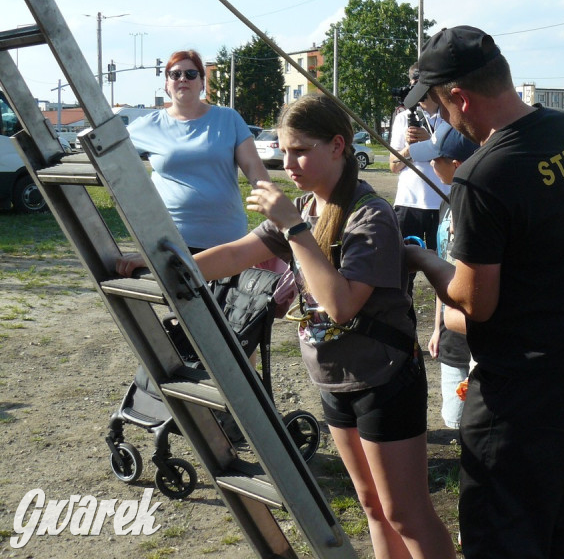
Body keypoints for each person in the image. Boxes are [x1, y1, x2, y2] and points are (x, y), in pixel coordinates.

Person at [122, 93, 456, 559]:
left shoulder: (369, 214)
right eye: (283, 150)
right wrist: (161, 266)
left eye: (300, 150)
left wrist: (294, 228)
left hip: (384, 380)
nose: (287, 162)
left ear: (337, 146)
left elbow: (340, 306)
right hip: (334, 379)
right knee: (373, 508)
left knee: (406, 514)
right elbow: (237, 253)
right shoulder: (306, 208)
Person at [402, 26, 564, 559]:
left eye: (439, 105)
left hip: (522, 393)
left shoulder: (482, 175)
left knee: (502, 538)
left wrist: (424, 260)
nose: (443, 118)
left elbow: (476, 303)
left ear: (459, 97)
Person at [127, 50, 269, 250]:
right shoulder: (148, 126)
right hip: (170, 242)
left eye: (191, 74)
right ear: (167, 84)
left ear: (202, 82)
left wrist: (272, 204)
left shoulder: (229, 118)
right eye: (175, 74)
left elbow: (253, 167)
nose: (183, 79)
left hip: (227, 240)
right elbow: (108, 150)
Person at [415, 123, 479, 431]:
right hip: (451, 328)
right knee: (454, 419)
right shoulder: (447, 200)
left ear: (456, 164)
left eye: (435, 158)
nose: (430, 163)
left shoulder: (478, 206)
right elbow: (446, 264)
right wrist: (437, 326)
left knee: (478, 423)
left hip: (477, 330)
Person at [389, 63, 449, 252]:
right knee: (404, 261)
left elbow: (458, 160)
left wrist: (430, 141)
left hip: (442, 202)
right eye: (413, 83)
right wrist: (409, 149)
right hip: (408, 202)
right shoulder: (402, 118)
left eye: (421, 83)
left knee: (443, 260)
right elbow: (393, 166)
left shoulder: (449, 117)